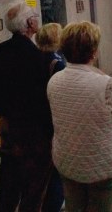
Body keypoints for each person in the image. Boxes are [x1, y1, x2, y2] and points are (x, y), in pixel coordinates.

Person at [47, 21, 112, 212]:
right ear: (93, 52)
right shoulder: (106, 84)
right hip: (101, 166)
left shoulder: (54, 81)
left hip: (68, 162)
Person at [0, 0, 54, 212]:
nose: (37, 18)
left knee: (7, 190)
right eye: (34, 15)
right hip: (34, 135)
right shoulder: (37, 57)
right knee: (33, 195)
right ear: (28, 24)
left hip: (8, 128)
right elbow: (43, 100)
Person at [35, 23, 67, 212]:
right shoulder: (57, 63)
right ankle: (53, 205)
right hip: (51, 121)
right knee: (56, 167)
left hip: (35, 120)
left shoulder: (33, 59)